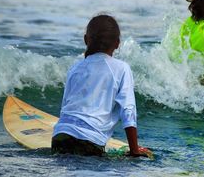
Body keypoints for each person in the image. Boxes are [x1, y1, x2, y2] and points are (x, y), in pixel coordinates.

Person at [52, 14, 150, 157]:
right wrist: (134, 151)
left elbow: (65, 107)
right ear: (117, 43)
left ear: (86, 40)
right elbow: (128, 111)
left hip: (59, 136)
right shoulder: (121, 68)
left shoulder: (75, 68)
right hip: (90, 141)